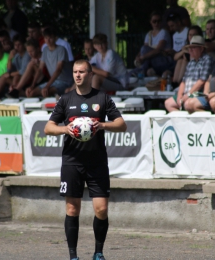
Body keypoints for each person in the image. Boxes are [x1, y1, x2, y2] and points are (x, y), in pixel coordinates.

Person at [44, 59, 127, 260]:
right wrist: (66, 129)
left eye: (82, 72)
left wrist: (102, 125)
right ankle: (73, 256)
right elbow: (48, 128)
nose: (78, 75)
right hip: (72, 161)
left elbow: (121, 124)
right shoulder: (65, 100)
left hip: (97, 162)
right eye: (75, 72)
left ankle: (98, 253)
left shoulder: (102, 98)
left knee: (102, 209)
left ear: (90, 74)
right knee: (72, 208)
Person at [165, 35, 212, 112]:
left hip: (198, 93)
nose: (190, 50)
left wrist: (187, 95)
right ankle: (183, 123)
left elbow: (202, 81)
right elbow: (184, 81)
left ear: (201, 48)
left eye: (193, 47)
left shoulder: (207, 60)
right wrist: (179, 96)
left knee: (187, 104)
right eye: (189, 48)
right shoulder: (191, 62)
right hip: (187, 94)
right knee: (168, 103)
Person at [25, 27, 73, 97]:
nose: (48, 40)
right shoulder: (45, 50)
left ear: (55, 38)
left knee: (45, 92)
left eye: (50, 38)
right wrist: (32, 85)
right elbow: (40, 69)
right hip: (54, 81)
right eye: (46, 38)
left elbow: (59, 69)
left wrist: (47, 86)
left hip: (65, 81)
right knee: (31, 93)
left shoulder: (61, 49)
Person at [130, 11, 173, 77]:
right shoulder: (149, 34)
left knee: (145, 50)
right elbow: (144, 48)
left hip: (163, 59)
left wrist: (143, 57)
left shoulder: (164, 32)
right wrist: (138, 56)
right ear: (151, 22)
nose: (156, 23)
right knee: (144, 49)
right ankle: (140, 71)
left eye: (159, 21)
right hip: (151, 60)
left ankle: (141, 71)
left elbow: (158, 50)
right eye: (154, 21)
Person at [0, 34, 30, 99]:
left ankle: (14, 93)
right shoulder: (17, 56)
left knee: (14, 75)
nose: (17, 47)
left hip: (26, 80)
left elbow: (22, 71)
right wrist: (10, 59)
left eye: (19, 45)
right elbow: (8, 70)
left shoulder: (27, 54)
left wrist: (10, 74)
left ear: (24, 45)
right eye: (15, 45)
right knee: (5, 76)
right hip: (18, 80)